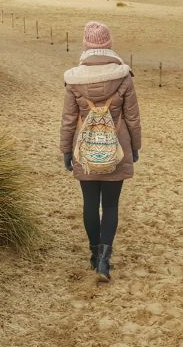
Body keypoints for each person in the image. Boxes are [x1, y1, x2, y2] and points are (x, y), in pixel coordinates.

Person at [60, 21, 142, 282]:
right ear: (108, 44)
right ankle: (105, 262)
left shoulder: (73, 78)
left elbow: (68, 120)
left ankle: (94, 255)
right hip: (117, 148)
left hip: (84, 150)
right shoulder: (123, 76)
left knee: (89, 204)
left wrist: (65, 150)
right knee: (111, 205)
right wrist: (135, 147)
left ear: (86, 44)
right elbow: (133, 118)